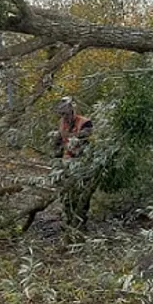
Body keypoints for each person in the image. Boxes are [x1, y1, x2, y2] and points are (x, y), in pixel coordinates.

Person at [50, 97, 96, 229]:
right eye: (61, 114)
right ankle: (69, 220)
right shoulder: (62, 123)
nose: (64, 117)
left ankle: (81, 222)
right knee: (66, 193)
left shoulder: (85, 123)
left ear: (72, 111)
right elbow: (58, 141)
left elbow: (86, 141)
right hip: (67, 162)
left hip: (83, 163)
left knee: (82, 195)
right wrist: (56, 162)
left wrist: (75, 140)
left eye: (65, 114)